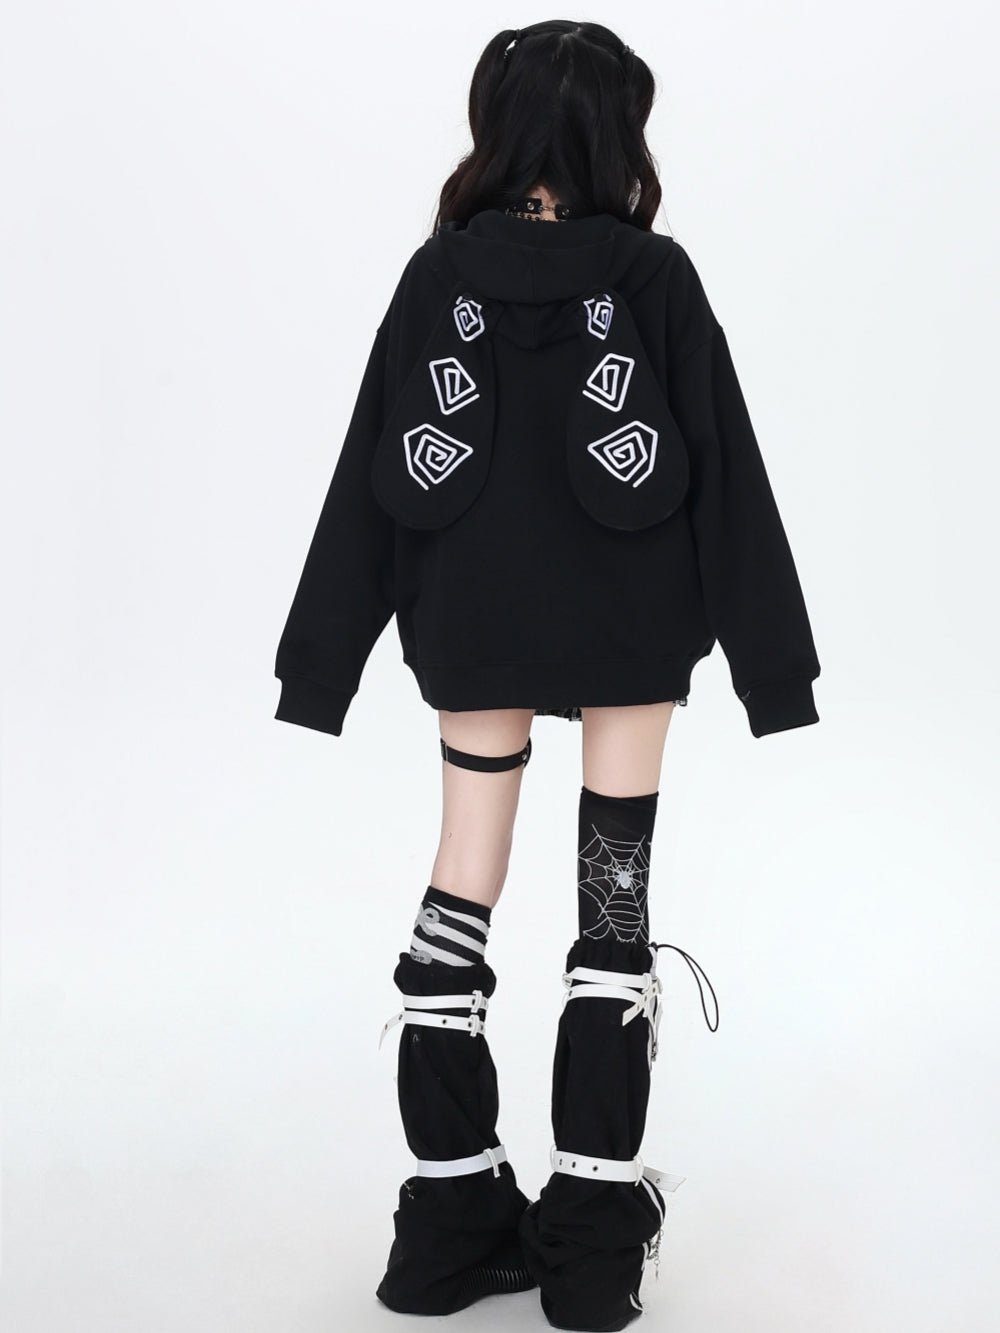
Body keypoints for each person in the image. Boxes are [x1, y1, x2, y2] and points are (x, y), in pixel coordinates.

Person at [273, 19, 820, 1332]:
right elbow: (725, 472)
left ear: (499, 125)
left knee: (462, 878)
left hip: (469, 624)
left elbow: (367, 469)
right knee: (613, 907)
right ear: (614, 132)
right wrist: (775, 669)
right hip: (631, 630)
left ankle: (446, 1225)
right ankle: (588, 1246)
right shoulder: (654, 276)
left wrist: (320, 665)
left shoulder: (437, 274)